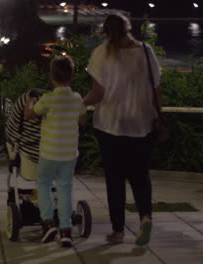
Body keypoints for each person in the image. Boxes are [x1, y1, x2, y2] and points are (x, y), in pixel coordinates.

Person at [83, 13, 162, 246]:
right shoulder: (146, 52)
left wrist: (79, 103)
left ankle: (118, 231)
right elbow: (157, 89)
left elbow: (98, 94)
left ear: (106, 32)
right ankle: (145, 218)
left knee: (115, 181)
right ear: (129, 28)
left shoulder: (101, 54)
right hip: (141, 125)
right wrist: (157, 117)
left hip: (110, 126)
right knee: (140, 176)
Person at [24, 55, 87, 248]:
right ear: (73, 76)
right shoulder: (76, 98)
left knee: (43, 184)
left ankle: (48, 222)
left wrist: (29, 104)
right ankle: (66, 231)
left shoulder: (48, 99)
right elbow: (83, 120)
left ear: (51, 77)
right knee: (65, 188)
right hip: (69, 153)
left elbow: (30, 115)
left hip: (49, 153)